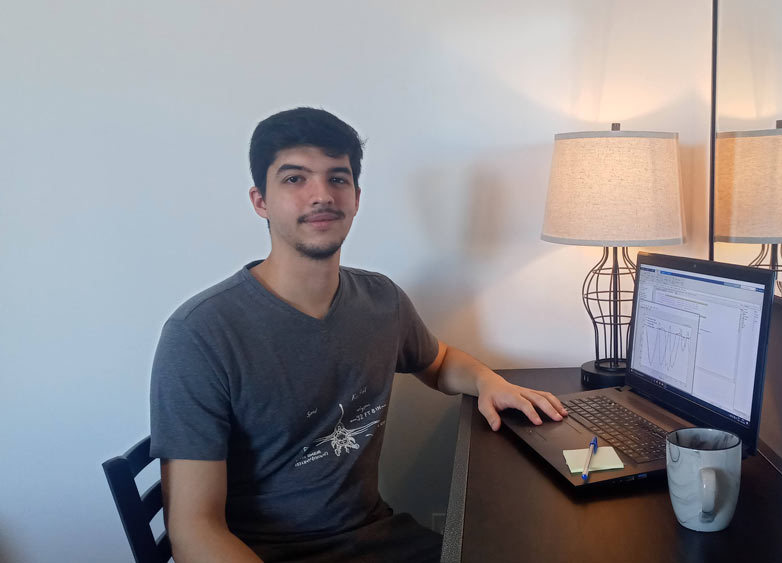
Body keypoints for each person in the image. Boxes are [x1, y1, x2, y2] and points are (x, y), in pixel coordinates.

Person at [149, 107, 568, 562]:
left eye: (337, 178)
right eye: (294, 179)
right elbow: (193, 530)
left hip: (378, 538)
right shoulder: (201, 334)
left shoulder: (380, 299)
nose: (321, 195)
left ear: (356, 197)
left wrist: (489, 382)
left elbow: (439, 361)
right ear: (260, 201)